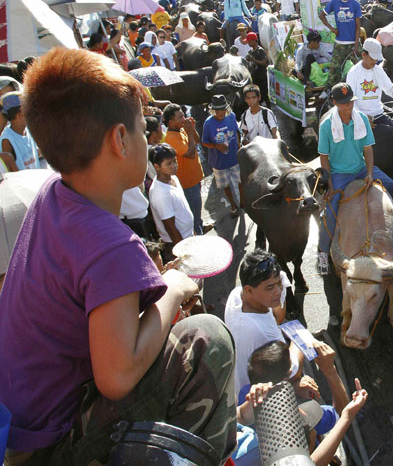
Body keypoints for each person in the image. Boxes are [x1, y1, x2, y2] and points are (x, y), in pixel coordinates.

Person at [0, 47, 236, 465]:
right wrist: (175, 290)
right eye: (144, 129)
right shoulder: (112, 245)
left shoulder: (50, 196)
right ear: (119, 140)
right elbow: (118, 378)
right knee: (207, 338)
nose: (149, 139)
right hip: (51, 446)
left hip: (20, 426)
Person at [238, 341, 368, 466]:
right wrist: (329, 370)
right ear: (285, 379)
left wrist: (293, 386)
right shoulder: (298, 417)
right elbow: (340, 412)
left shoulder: (247, 397)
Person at [317, 83, 393, 276]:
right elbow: (324, 157)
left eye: (350, 102)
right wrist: (330, 183)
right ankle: (322, 252)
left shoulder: (361, 119)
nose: (348, 107)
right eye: (343, 104)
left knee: (392, 186)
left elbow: (368, 149)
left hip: (360, 168)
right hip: (339, 173)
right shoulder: (327, 126)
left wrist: (369, 173)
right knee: (330, 210)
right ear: (334, 103)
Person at [224, 249, 299, 398]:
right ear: (249, 290)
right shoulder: (265, 334)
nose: (278, 291)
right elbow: (292, 372)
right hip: (262, 399)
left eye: (279, 284)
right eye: (270, 287)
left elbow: (275, 316)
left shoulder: (236, 295)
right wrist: (299, 340)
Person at [345, 38, 393, 128]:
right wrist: (361, 118)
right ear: (364, 55)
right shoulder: (353, 73)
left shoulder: (378, 70)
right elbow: (350, 99)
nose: (375, 61)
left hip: (378, 115)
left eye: (376, 59)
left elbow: (391, 90)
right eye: (372, 58)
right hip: (360, 115)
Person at [162, 104, 205, 235]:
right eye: (180, 117)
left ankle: (200, 226)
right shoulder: (171, 138)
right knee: (193, 213)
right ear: (171, 122)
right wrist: (190, 132)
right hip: (188, 184)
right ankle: (199, 235)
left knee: (197, 209)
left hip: (195, 179)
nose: (184, 119)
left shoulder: (181, 129)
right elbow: (190, 153)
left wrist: (192, 129)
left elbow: (197, 141)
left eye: (183, 115)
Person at [148, 142, 194, 258]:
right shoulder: (161, 194)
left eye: (175, 161)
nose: (174, 165)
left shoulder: (173, 177)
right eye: (169, 164)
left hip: (188, 236)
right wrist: (182, 253)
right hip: (178, 243)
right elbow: (171, 228)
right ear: (157, 166)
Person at [202, 94, 243, 217]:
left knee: (240, 181)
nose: (220, 113)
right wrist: (216, 146)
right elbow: (204, 142)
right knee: (225, 185)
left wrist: (239, 145)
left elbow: (236, 131)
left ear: (227, 108)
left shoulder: (231, 116)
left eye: (223, 109)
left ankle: (243, 203)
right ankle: (233, 205)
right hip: (219, 162)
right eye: (218, 110)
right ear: (213, 110)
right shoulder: (208, 123)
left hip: (234, 158)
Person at [319, 0, 362, 91]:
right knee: (335, 70)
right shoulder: (334, 2)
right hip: (340, 43)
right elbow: (321, 15)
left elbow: (358, 26)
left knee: (365, 66)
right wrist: (332, 29)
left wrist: (356, 44)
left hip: (353, 43)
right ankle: (328, 92)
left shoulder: (355, 4)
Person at [0, 92, 43, 170]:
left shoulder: (29, 131)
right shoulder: (7, 140)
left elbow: (34, 153)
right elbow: (9, 170)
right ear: (20, 114)